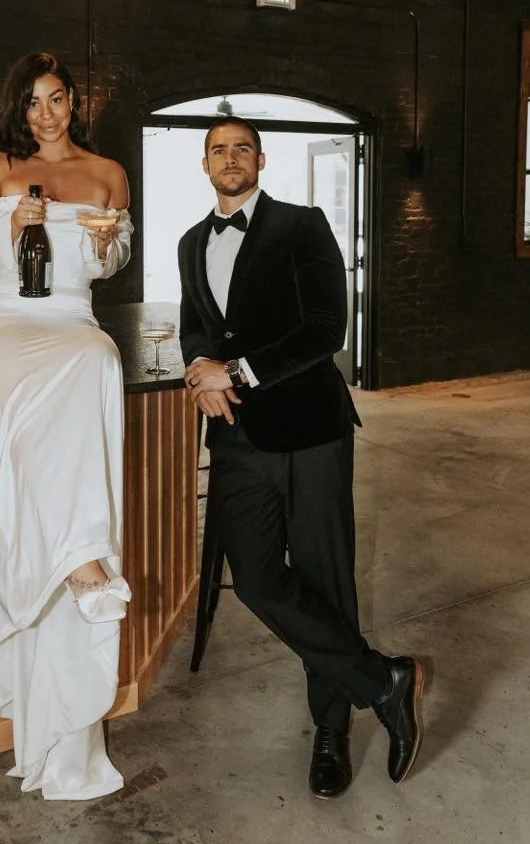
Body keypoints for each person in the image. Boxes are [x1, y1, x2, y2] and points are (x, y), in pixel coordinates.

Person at [178, 115, 424, 799]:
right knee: (255, 579)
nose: (230, 158)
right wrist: (200, 367)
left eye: (242, 147)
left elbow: (326, 328)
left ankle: (331, 730)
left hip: (311, 429)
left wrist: (240, 372)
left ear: (261, 158)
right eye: (218, 149)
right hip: (236, 438)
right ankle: (383, 681)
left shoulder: (302, 223)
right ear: (204, 165)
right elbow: (197, 325)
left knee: (323, 577)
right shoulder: (190, 240)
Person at [0, 52, 133, 801]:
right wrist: (10, 225)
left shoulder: (107, 172)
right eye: (32, 103)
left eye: (56, 99)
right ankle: (81, 559)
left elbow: (112, 259)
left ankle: (77, 555)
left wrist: (100, 244)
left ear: (73, 102)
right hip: (6, 320)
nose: (46, 114)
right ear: (17, 108)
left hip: (71, 319)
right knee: (30, 418)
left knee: (97, 362)